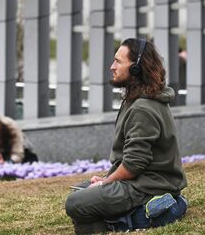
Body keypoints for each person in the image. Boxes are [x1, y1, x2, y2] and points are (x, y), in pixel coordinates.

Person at [65, 38, 188, 234]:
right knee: (81, 190)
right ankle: (110, 222)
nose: (112, 66)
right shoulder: (136, 100)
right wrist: (104, 180)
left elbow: (134, 164)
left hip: (148, 187)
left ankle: (123, 222)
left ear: (136, 68)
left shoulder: (142, 108)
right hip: (139, 181)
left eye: (118, 62)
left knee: (75, 203)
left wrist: (106, 183)